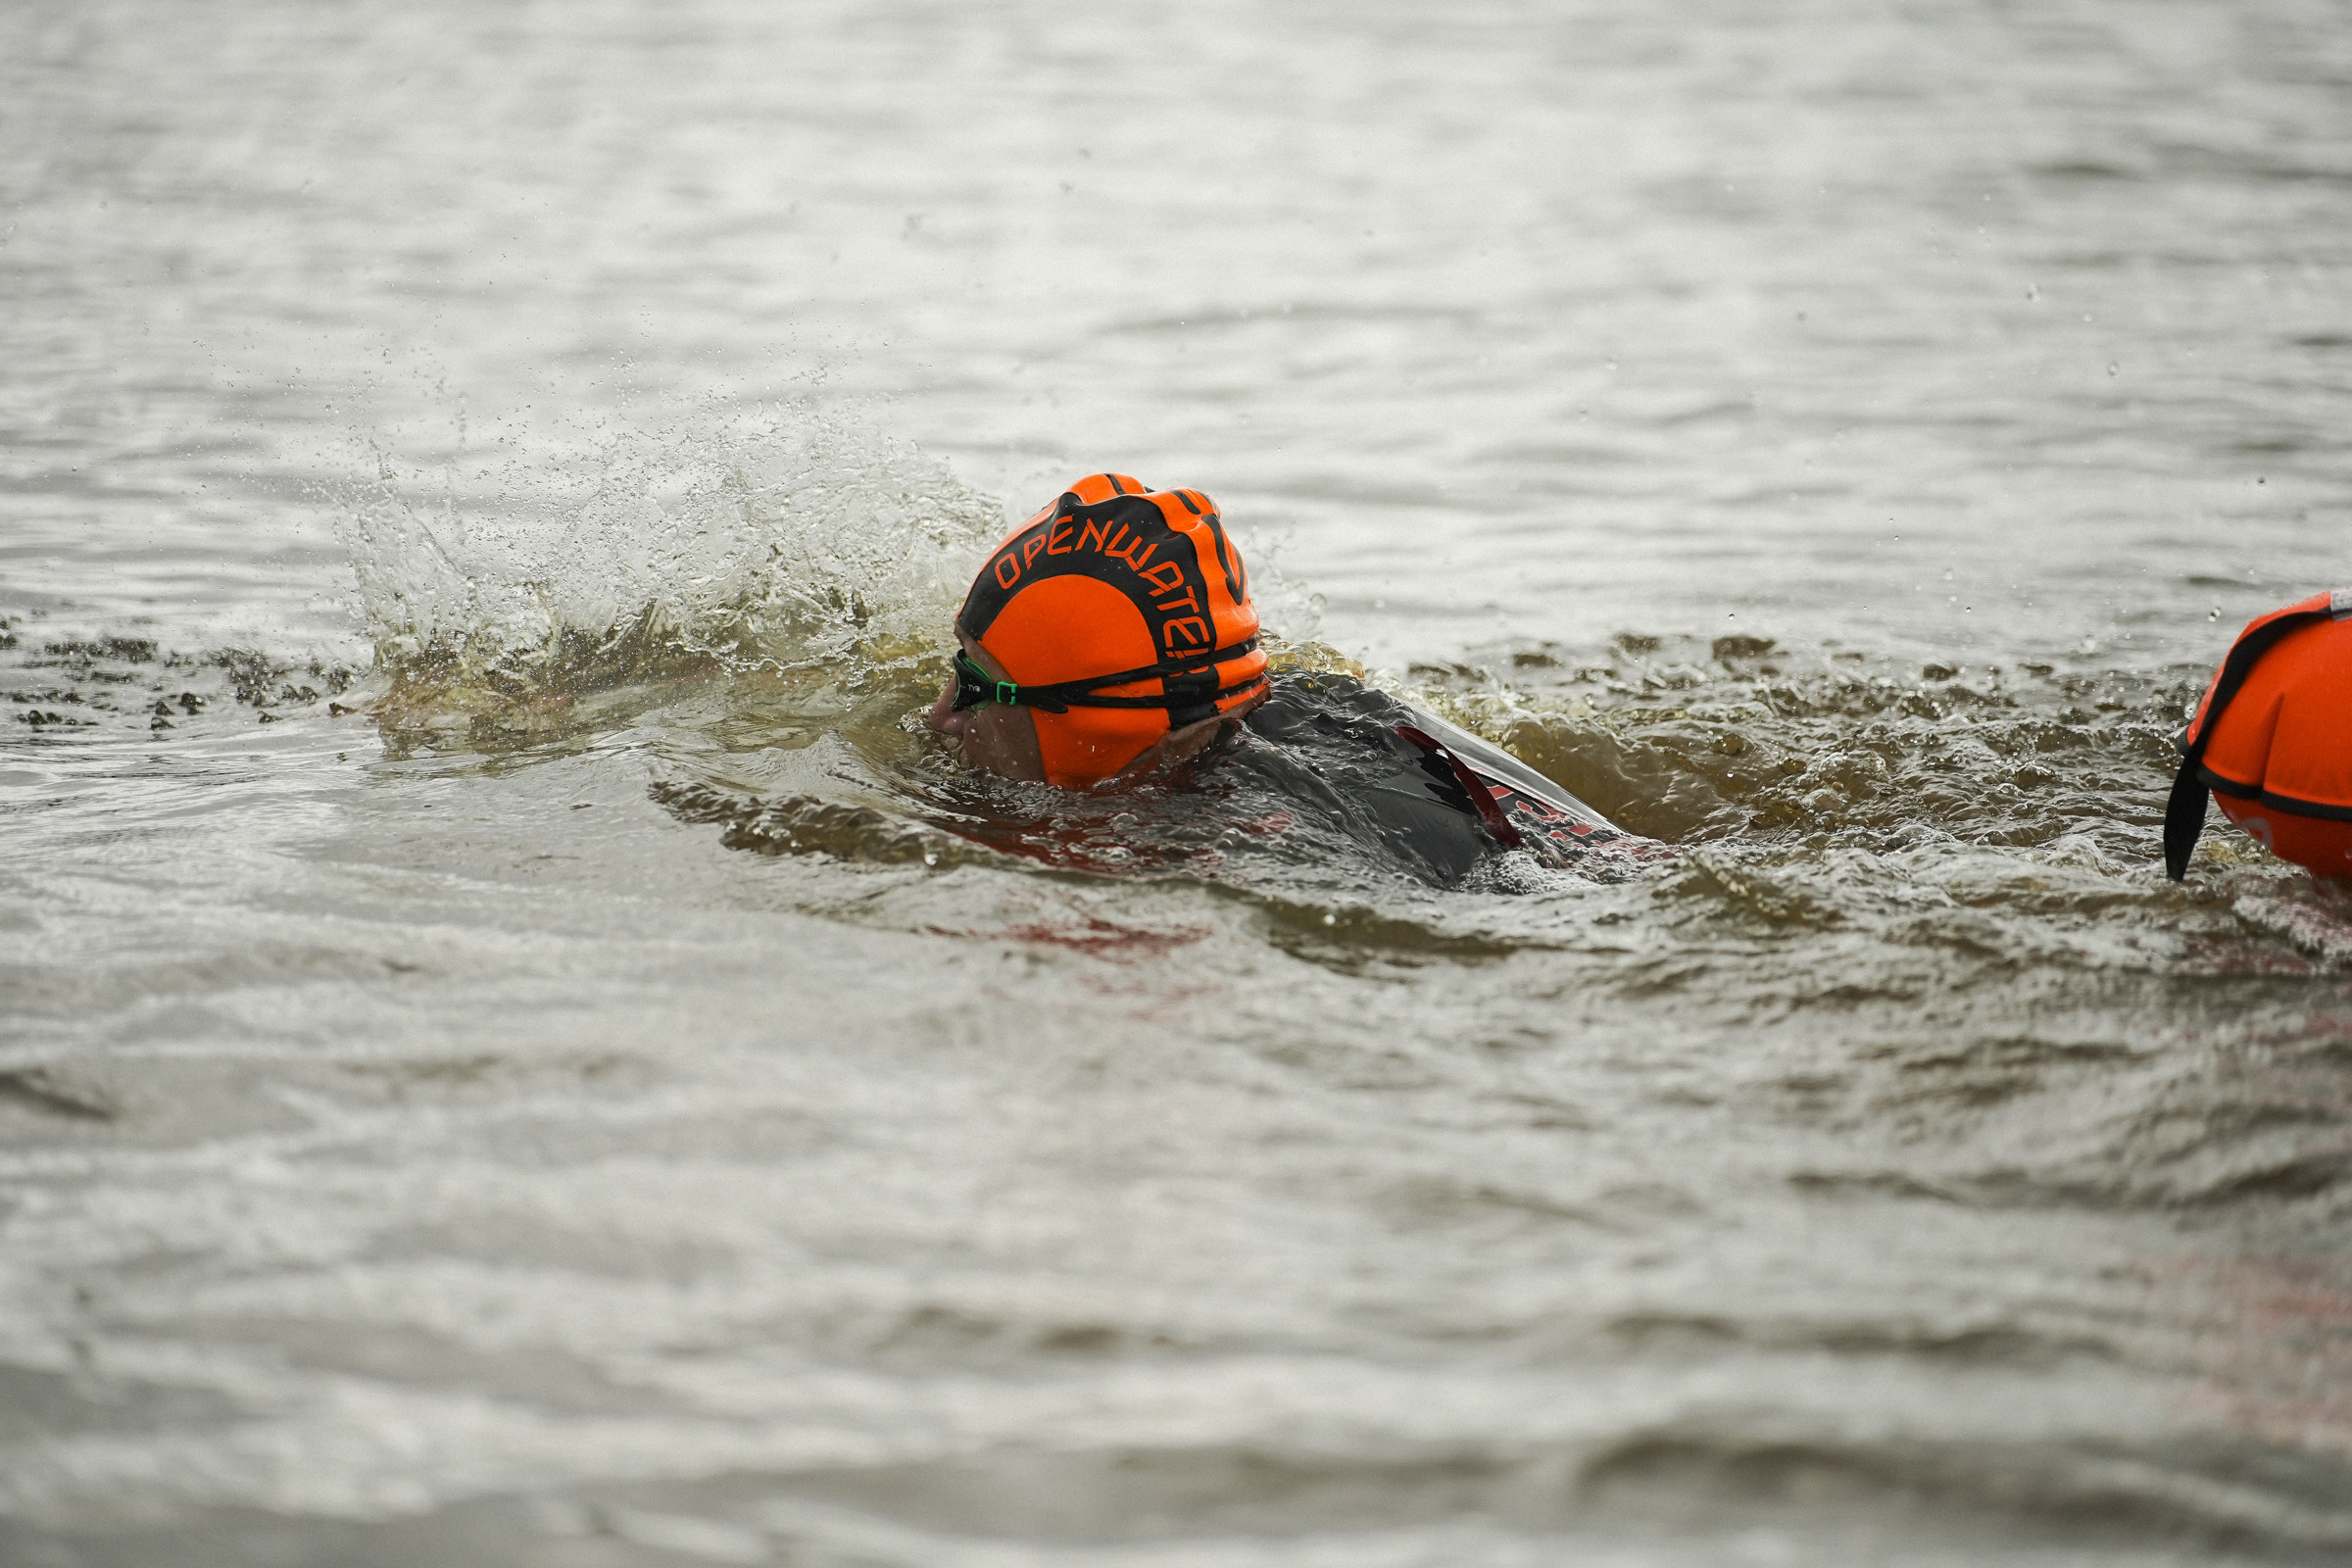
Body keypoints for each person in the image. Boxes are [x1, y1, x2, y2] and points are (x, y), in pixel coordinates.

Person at [924, 472, 1651, 883]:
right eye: (959, 663)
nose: (942, 715)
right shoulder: (1269, 699)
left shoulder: (1277, 828)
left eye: (981, 688)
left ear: (1150, 739)